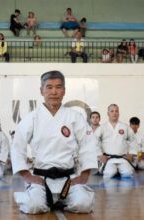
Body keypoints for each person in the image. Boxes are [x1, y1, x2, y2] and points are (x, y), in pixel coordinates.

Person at [12, 71, 97, 214]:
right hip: (41, 178)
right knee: (34, 206)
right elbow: (17, 147)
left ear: (64, 91)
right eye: (49, 87)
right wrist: (27, 175)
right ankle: (46, 200)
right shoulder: (32, 118)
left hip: (68, 178)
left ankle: (59, 202)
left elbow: (87, 145)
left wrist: (84, 174)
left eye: (58, 87)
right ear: (41, 90)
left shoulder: (74, 117)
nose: (54, 92)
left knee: (84, 204)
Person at [95, 104, 136, 178]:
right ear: (108, 113)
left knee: (128, 174)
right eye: (112, 111)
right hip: (108, 159)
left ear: (119, 113)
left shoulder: (125, 127)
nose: (114, 113)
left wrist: (132, 154)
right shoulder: (102, 128)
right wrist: (100, 155)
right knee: (109, 174)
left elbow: (133, 140)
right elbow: (95, 142)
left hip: (122, 158)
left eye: (116, 111)